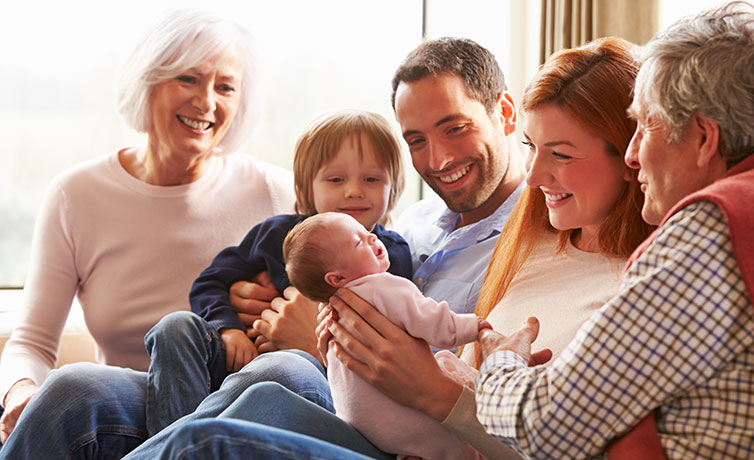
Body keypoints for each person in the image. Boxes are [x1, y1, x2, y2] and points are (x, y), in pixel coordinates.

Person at [140, 36, 655, 460]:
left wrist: (322, 347)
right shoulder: (426, 227)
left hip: (418, 432)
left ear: (633, 153)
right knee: (85, 395)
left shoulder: (619, 282)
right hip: (374, 406)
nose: (537, 176)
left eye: (455, 128)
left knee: (242, 407)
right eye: (416, 140)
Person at [474, 3, 754, 459]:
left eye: (642, 125)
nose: (632, 154)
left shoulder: (712, 233)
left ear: (702, 138)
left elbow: (546, 425)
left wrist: (501, 362)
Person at [0, 7, 297, 448]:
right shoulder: (76, 195)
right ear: (148, 78)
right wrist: (21, 390)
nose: (207, 101)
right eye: (189, 79)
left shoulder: (274, 191)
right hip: (121, 411)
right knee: (71, 388)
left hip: (237, 408)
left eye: (225, 86)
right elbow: (32, 342)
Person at [143, 110, 413, 435]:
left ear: (394, 188)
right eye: (336, 179)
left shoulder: (392, 254)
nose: (354, 190)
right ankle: (172, 440)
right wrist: (229, 330)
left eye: (372, 179)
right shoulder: (277, 235)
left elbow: (395, 330)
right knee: (174, 326)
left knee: (282, 369)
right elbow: (211, 282)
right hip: (236, 355)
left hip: (310, 378)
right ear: (306, 187)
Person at [286, 212, 490, 460]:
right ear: (337, 278)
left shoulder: (331, 311)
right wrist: (474, 327)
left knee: (275, 375)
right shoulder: (386, 287)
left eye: (367, 232)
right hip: (410, 422)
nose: (372, 238)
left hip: (360, 426)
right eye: (359, 241)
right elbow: (436, 325)